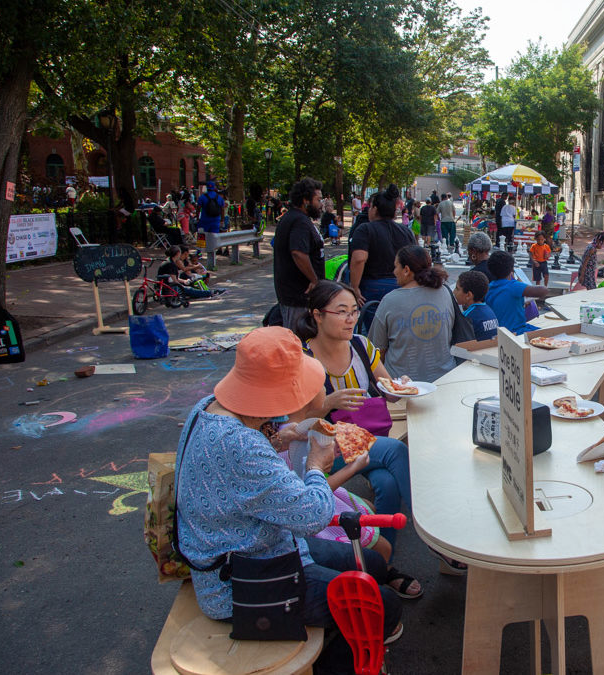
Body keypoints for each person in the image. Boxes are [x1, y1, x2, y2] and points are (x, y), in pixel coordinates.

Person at [175, 327, 404, 673]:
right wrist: (316, 465)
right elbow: (313, 515)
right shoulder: (240, 447)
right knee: (382, 605)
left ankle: (343, 634)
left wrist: (281, 437)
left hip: (261, 549)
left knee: (372, 565)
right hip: (242, 583)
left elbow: (244, 466)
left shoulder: (206, 408)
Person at [293, 280, 422, 599]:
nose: (351, 318)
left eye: (354, 311)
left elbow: (390, 388)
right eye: (341, 312)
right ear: (317, 316)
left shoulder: (362, 346)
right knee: (393, 450)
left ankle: (382, 565)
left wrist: (398, 387)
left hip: (366, 437)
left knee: (388, 485)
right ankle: (429, 531)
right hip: (324, 448)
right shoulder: (304, 358)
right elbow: (294, 423)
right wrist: (328, 403)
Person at [369, 245, 458, 382]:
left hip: (403, 385)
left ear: (406, 270)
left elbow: (376, 352)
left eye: (396, 266)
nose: (394, 272)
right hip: (445, 378)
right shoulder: (444, 291)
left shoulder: (390, 301)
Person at [347, 184, 416, 308]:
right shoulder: (405, 231)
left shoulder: (365, 229)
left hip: (372, 286)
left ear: (374, 208)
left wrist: (354, 286)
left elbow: (359, 258)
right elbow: (416, 259)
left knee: (373, 326)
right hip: (401, 286)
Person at [273, 177, 326, 333]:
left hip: (297, 297)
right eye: (318, 199)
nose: (320, 204)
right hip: (298, 297)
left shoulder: (296, 218)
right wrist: (314, 280)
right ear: (305, 201)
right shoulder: (299, 221)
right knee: (300, 344)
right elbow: (298, 253)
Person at [484, 250, 548, 334]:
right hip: (516, 332)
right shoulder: (513, 286)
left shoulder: (489, 288)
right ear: (511, 270)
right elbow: (543, 291)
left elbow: (504, 304)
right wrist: (522, 284)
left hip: (499, 332)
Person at [159, 246, 224, 299]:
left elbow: (173, 278)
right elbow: (174, 280)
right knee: (189, 290)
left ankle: (209, 291)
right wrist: (182, 285)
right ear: (178, 253)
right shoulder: (170, 264)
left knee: (190, 288)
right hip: (169, 287)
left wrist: (184, 281)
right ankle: (210, 293)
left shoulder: (170, 261)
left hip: (168, 284)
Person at [454, 270, 499, 340]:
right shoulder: (489, 310)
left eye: (457, 289)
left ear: (468, 295)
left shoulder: (466, 317)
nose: (454, 292)